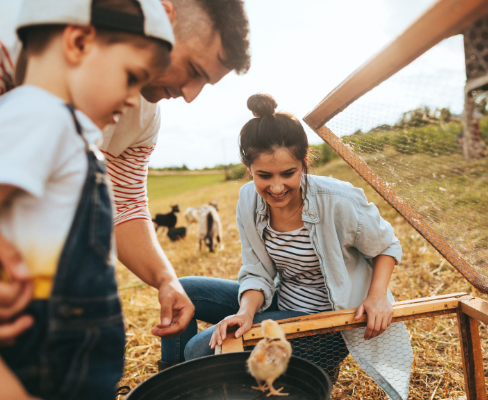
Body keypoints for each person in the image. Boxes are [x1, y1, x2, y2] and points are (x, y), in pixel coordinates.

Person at [0, 0, 251, 346]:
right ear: (164, 16)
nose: (191, 96)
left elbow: (125, 201)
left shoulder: (142, 116)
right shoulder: (14, 39)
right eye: (194, 70)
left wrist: (166, 278)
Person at [160, 94, 414, 398]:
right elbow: (256, 270)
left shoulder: (338, 200)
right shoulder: (248, 200)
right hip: (280, 303)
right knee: (183, 291)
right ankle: (171, 391)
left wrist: (377, 298)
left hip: (328, 324)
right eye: (264, 176)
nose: (277, 187)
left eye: (288, 173)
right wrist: (245, 312)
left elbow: (386, 245)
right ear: (248, 167)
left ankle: (298, 370)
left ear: (304, 160)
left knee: (200, 348)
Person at [0, 0, 174, 398]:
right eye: (131, 77)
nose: (135, 99)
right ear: (78, 42)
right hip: (41, 363)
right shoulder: (40, 116)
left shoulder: (65, 128)